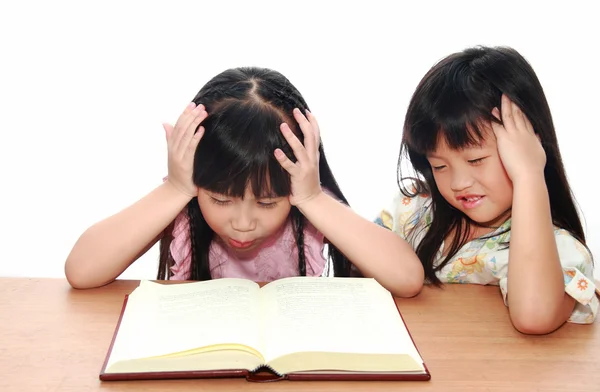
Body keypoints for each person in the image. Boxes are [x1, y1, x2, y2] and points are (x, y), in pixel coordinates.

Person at [65, 67, 424, 296]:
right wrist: (175, 189)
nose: (242, 222)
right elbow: (81, 271)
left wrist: (313, 199)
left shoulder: (308, 201)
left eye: (267, 203)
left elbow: (407, 278)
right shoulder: (182, 198)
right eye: (221, 200)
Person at [375, 46, 598, 334]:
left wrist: (529, 175)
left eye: (476, 160)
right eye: (439, 166)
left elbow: (534, 316)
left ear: (530, 147)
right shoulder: (415, 211)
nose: (458, 183)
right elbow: (356, 268)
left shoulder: (558, 250)